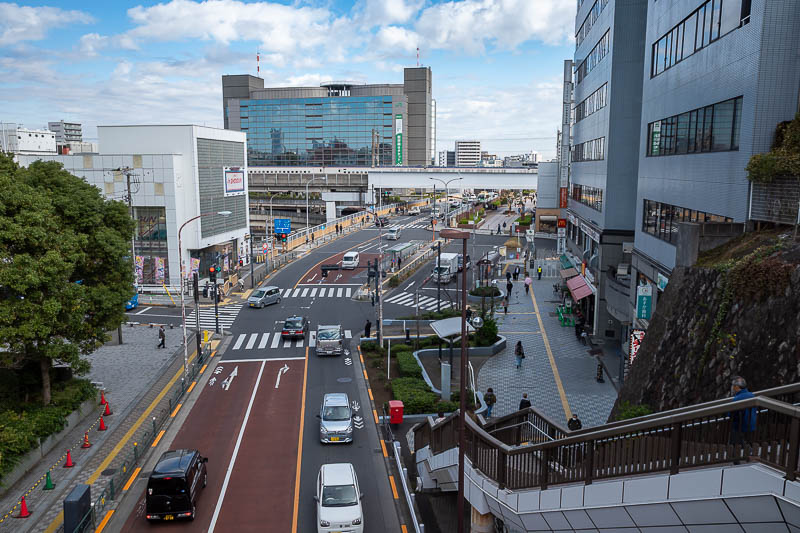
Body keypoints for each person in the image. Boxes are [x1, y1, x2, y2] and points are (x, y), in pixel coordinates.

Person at [729, 376, 757, 464]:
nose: (732, 388)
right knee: (746, 442)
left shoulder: (737, 399)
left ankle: (736, 462)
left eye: (733, 386)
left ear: (737, 387)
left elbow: (731, 413)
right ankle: (750, 455)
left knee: (735, 443)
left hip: (740, 425)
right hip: (751, 424)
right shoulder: (751, 395)